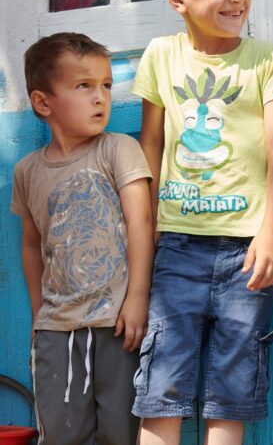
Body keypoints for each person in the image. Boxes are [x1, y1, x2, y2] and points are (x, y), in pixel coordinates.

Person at [130, 0, 273, 445]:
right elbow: (151, 144)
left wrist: (271, 233)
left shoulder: (267, 60)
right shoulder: (161, 55)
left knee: (234, 383)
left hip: (246, 252)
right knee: (162, 382)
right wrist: (149, 225)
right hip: (177, 247)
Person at [12, 32, 153, 444]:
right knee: (60, 433)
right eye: (84, 85)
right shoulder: (27, 171)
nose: (100, 97)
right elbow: (31, 244)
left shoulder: (118, 150)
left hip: (118, 325)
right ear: (43, 102)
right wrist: (39, 315)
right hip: (57, 331)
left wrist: (137, 297)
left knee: (121, 433)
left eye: (106, 85)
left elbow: (141, 223)